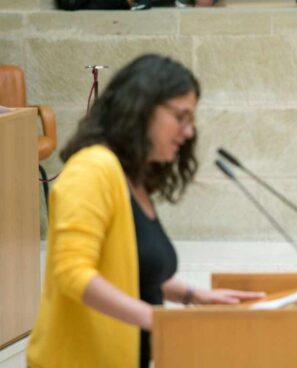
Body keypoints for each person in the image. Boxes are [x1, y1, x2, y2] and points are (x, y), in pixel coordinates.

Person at [27, 54, 265, 368]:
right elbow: (72, 273)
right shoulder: (92, 169)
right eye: (181, 117)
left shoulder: (131, 178)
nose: (188, 132)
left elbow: (130, 268)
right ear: (142, 108)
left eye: (191, 120)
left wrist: (192, 295)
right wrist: (159, 319)